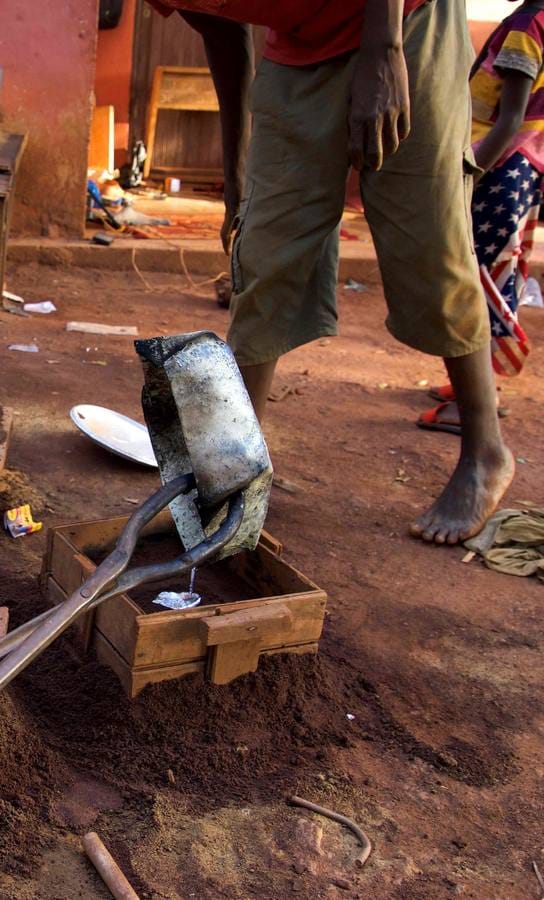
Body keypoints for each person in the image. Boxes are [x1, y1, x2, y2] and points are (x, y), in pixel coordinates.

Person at [150, 0, 516, 545]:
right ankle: (233, 474)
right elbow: (224, 33)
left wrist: (384, 51)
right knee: (264, 251)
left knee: (430, 242)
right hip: (299, 46)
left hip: (406, 20)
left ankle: (485, 452)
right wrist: (233, 176)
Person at [418, 0, 542, 432]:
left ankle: (473, 406)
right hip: (523, 168)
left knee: (477, 280)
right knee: (491, 275)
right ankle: (472, 389)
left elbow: (507, 119)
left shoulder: (526, 28)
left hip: (497, 168)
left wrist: (468, 174)